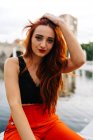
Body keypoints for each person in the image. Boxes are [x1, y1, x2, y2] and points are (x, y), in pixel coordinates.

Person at [4, 13, 85, 140]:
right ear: (30, 38)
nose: (43, 45)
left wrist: (61, 23)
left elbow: (79, 60)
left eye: (50, 40)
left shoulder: (54, 66)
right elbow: (15, 105)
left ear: (54, 44)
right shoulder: (13, 64)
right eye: (39, 38)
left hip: (50, 123)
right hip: (20, 126)